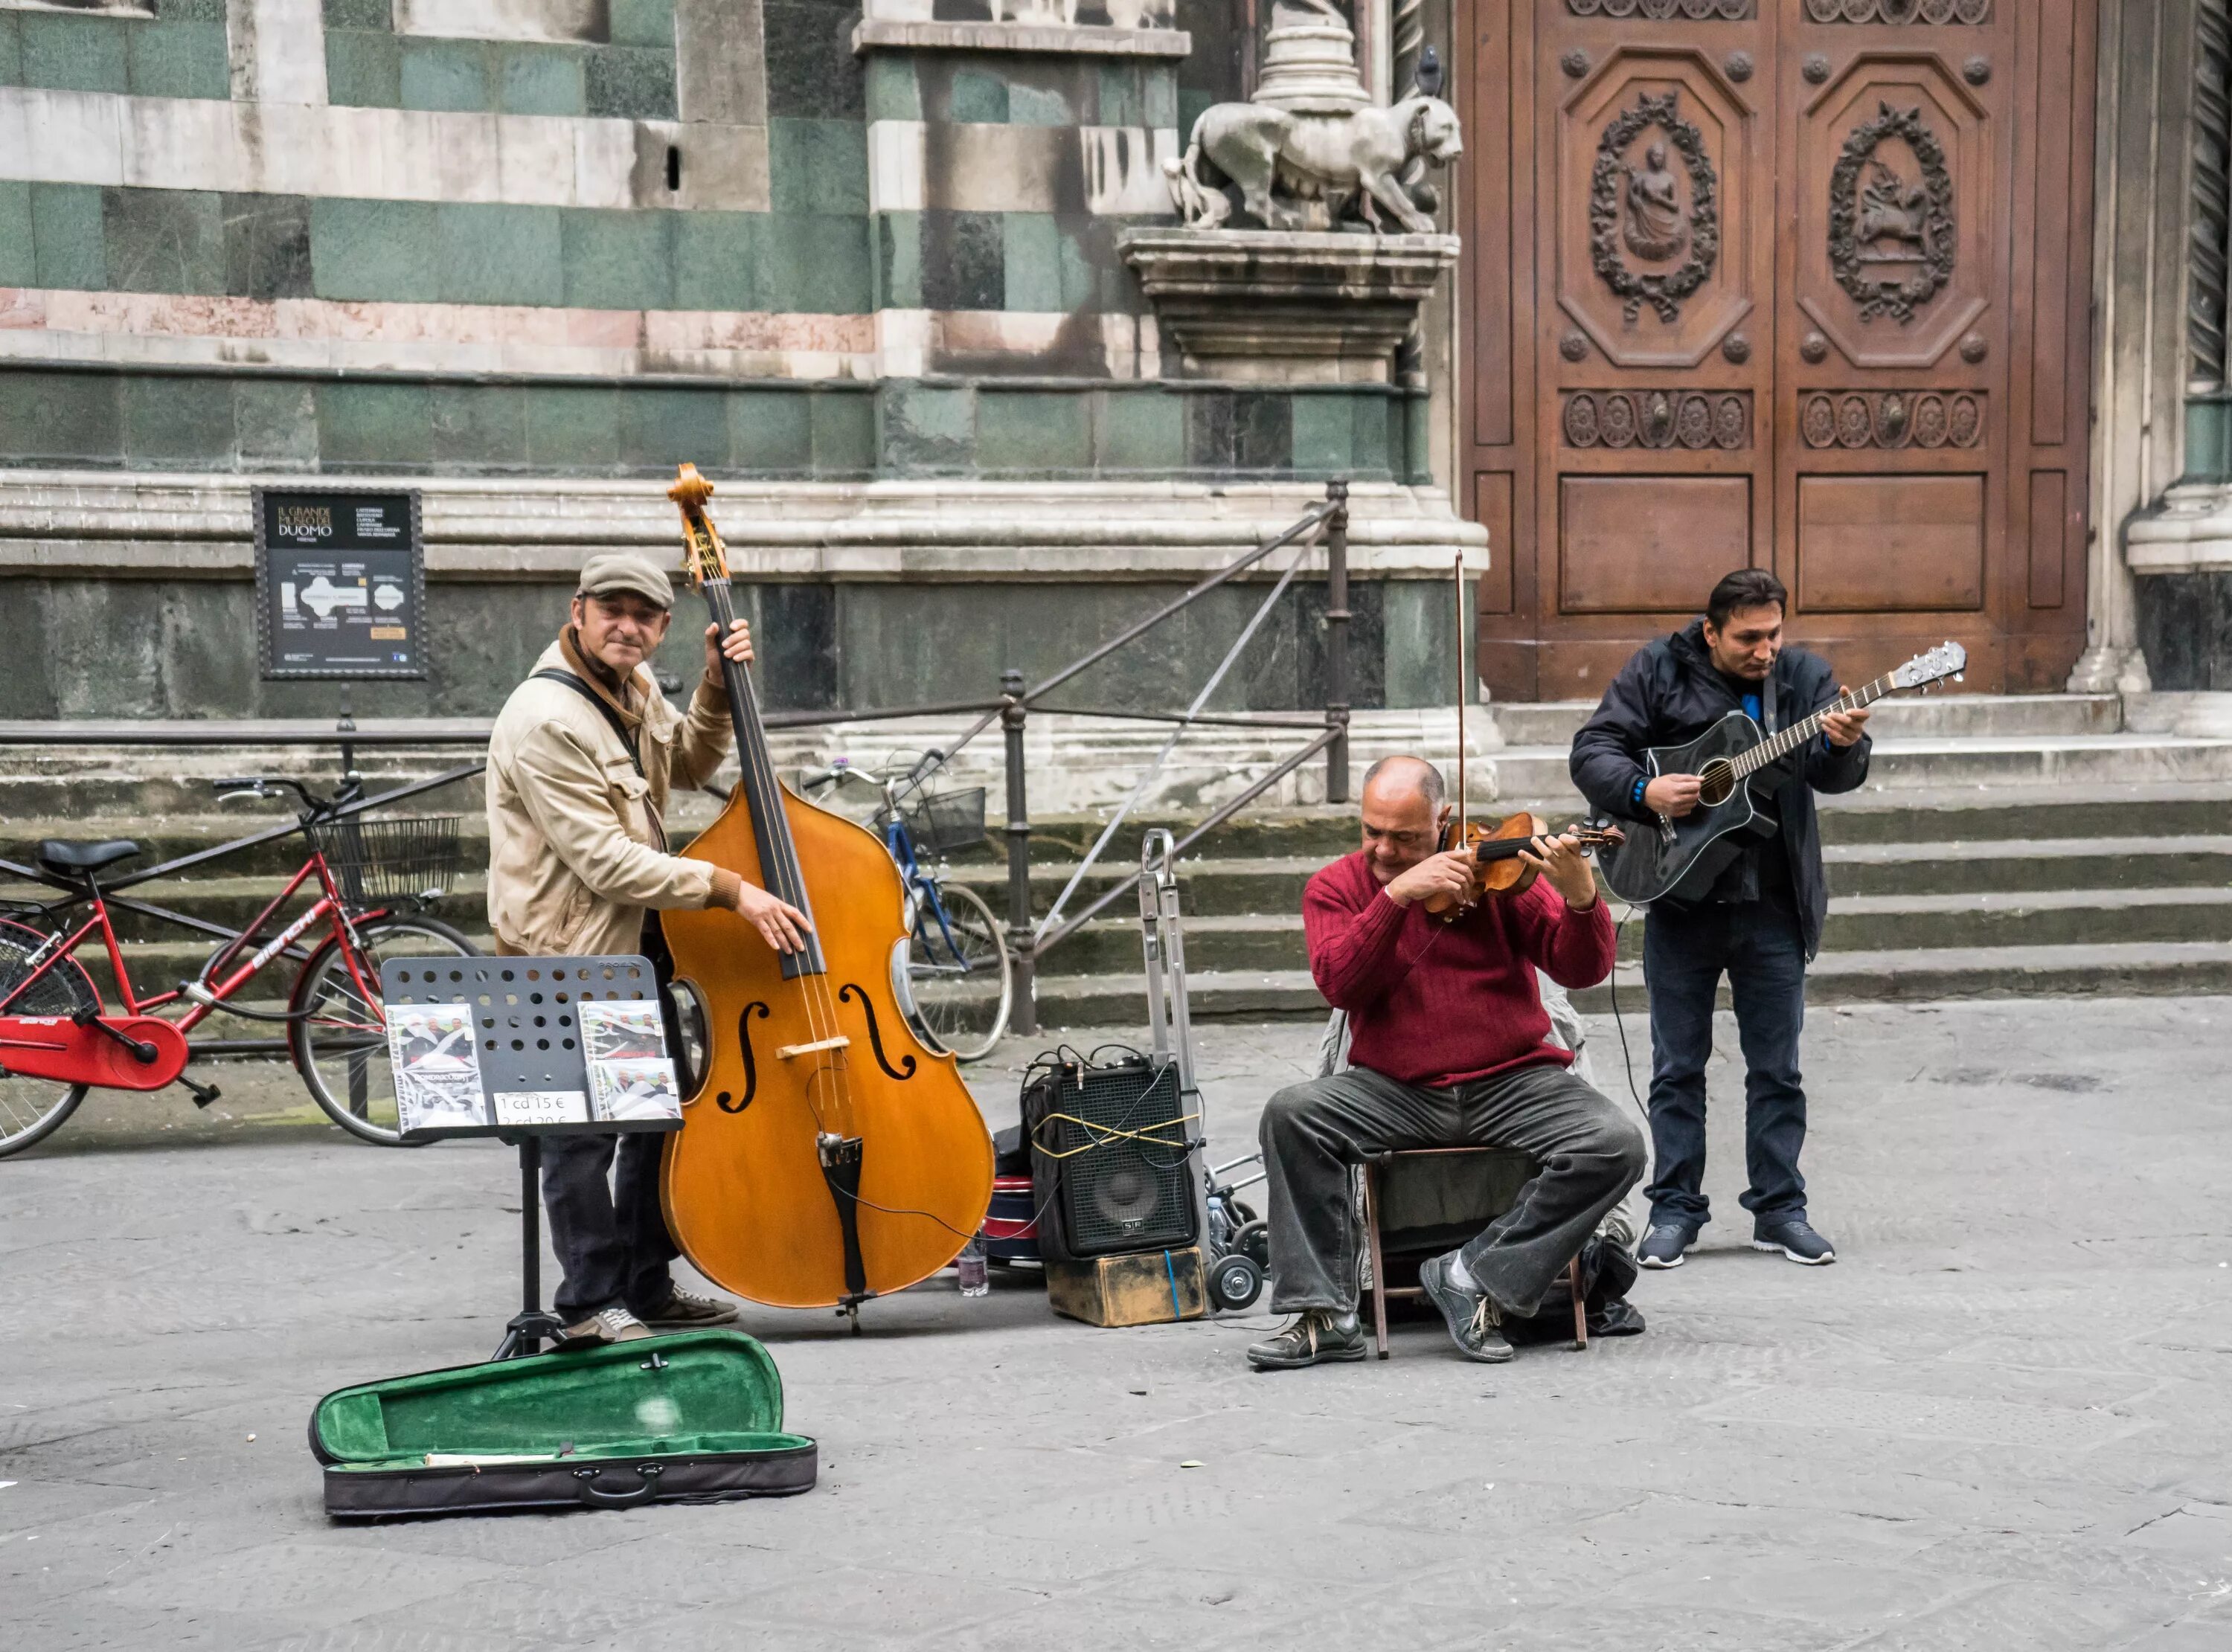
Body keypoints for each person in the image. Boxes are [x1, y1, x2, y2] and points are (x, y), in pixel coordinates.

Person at [486, 552, 812, 1348]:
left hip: (630, 948)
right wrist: (732, 890)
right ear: (579, 610)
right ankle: (589, 1302)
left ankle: (643, 1281)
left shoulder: (631, 689)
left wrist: (711, 686)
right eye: (612, 610)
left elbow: (692, 763)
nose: (627, 625)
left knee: (655, 1115)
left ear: (662, 627)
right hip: (562, 955)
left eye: (644, 615)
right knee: (584, 1132)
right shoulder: (547, 719)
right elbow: (604, 860)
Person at [1248, 756, 1646, 1370]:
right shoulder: (1335, 887)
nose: (1383, 848)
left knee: (1616, 1142)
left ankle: (1471, 1275)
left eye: (1405, 837)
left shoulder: (1497, 871)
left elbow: (1581, 969)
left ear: (1445, 821)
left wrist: (1581, 896)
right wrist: (1397, 895)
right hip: (1394, 1087)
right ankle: (1326, 1314)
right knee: (1291, 1114)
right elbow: (1341, 984)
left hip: (1514, 1078)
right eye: (1371, 831)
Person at [1569, 568, 1872, 1272]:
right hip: (1681, 897)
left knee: (1778, 1069)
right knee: (1678, 1068)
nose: (1766, 650)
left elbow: (1835, 775)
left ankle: (1780, 1209)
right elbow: (1593, 751)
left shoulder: (1804, 679)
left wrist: (1843, 742)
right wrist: (1646, 790)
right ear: (1711, 631)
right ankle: (1674, 1209)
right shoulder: (1658, 669)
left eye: (1774, 635)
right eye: (1748, 638)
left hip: (1774, 900)